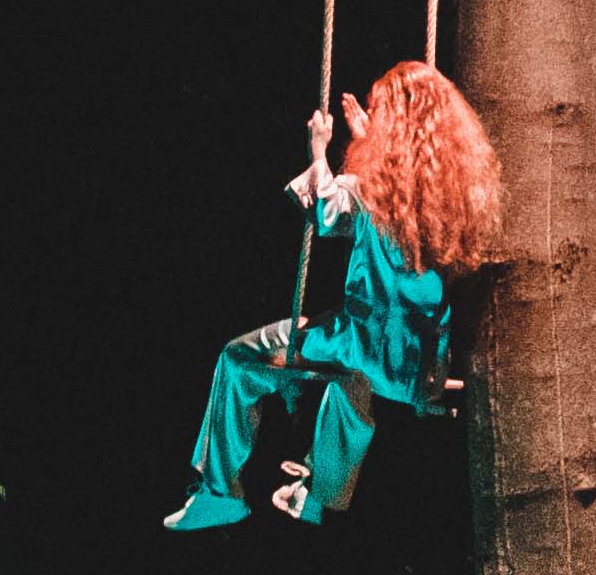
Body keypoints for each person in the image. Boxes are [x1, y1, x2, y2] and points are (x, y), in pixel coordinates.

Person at [166, 57, 497, 528]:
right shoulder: (456, 194)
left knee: (240, 357)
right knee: (348, 387)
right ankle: (316, 496)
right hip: (414, 368)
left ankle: (219, 490)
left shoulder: (371, 189)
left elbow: (327, 215)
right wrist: (369, 144)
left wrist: (319, 151)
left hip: (359, 347)